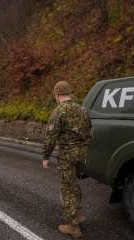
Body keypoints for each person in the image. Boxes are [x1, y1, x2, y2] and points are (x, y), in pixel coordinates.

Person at [42, 81, 92, 238]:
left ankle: (73, 226)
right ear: (69, 93)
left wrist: (45, 156)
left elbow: (51, 137)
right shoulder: (82, 109)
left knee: (67, 188)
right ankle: (77, 214)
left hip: (67, 157)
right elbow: (90, 132)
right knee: (74, 185)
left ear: (57, 95)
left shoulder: (58, 112)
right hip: (81, 155)